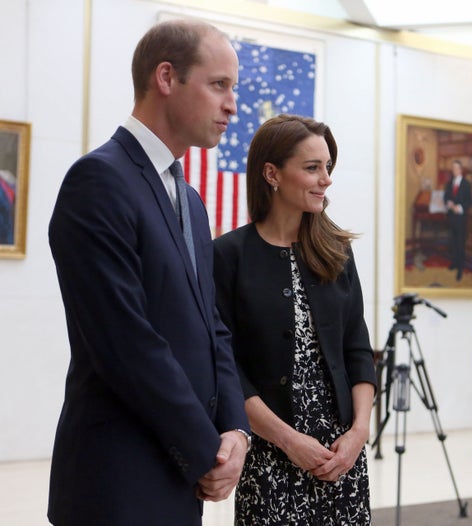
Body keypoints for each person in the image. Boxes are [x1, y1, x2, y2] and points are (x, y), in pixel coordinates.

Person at [47, 20, 250, 526]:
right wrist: (206, 449)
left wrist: (235, 431)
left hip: (179, 476)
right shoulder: (99, 181)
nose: (232, 105)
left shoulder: (191, 200)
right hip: (118, 481)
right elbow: (126, 342)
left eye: (234, 88)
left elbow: (212, 327)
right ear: (166, 77)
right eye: (219, 85)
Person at [213, 114, 377, 525]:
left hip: (342, 456)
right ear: (271, 173)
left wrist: (359, 433)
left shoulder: (337, 252)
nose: (326, 179)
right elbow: (227, 370)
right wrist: (289, 441)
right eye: (312, 168)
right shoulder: (227, 256)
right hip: (269, 457)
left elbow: (357, 347)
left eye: (327, 167)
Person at [443, 159, 472, 280]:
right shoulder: (449, 183)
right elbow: (446, 197)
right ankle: (454, 263)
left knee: (460, 244)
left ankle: (460, 269)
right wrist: (449, 203)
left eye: (456, 168)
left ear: (460, 170)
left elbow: (470, 201)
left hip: (461, 219)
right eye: (453, 168)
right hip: (451, 218)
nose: (454, 170)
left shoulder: (466, 184)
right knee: (453, 242)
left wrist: (460, 207)